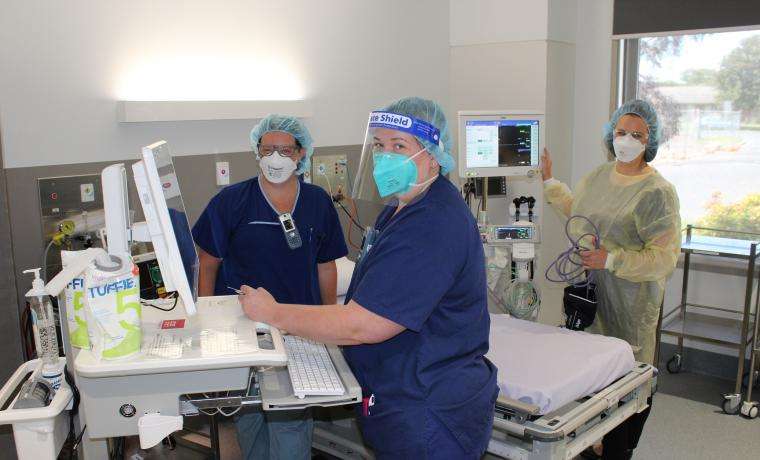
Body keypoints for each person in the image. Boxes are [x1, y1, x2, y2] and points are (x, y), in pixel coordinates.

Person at [237, 97, 498, 459]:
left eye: (399, 146)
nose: (385, 155)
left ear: (434, 154)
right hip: (404, 395)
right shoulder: (402, 208)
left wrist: (274, 313)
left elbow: (366, 323)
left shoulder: (433, 223)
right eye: (379, 145)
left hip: (428, 408)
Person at [191, 114, 348, 460]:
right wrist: (207, 323)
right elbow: (208, 262)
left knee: (290, 424)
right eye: (268, 149)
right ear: (257, 151)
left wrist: (329, 321)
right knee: (249, 420)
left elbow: (326, 265)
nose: (276, 158)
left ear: (301, 153)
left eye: (285, 150)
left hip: (298, 328)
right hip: (244, 329)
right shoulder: (232, 201)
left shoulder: (317, 201)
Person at [542, 99, 681, 460]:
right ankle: (593, 442)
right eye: (621, 132)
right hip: (595, 294)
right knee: (593, 375)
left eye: (637, 134)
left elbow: (663, 258)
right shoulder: (598, 176)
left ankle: (620, 450)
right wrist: (551, 182)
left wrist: (613, 259)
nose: (627, 139)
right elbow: (579, 215)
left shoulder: (657, 192)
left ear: (649, 142)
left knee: (630, 381)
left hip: (632, 303)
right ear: (611, 135)